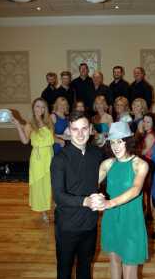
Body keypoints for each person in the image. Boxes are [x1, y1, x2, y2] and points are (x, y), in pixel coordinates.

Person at [90, 121, 148, 279]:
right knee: (114, 260)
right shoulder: (107, 164)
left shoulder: (140, 164)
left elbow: (136, 189)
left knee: (130, 271)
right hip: (112, 219)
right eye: (113, 142)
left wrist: (109, 203)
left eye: (120, 141)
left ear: (128, 142)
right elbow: (90, 185)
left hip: (131, 221)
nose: (116, 146)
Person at [51, 111, 103, 279]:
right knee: (64, 270)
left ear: (90, 130)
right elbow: (58, 196)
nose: (80, 134)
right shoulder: (60, 159)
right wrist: (85, 201)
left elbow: (101, 182)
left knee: (85, 268)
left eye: (84, 128)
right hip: (67, 225)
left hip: (90, 224)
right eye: (75, 129)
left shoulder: (96, 154)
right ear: (68, 131)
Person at [12, 97, 54, 222]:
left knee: (51, 183)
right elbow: (25, 141)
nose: (40, 109)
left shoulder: (48, 121)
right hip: (38, 158)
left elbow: (51, 138)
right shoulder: (30, 124)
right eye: (37, 106)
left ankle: (53, 205)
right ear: (33, 108)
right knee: (40, 185)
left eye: (42, 106)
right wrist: (18, 126)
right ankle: (43, 212)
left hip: (50, 155)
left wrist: (62, 140)